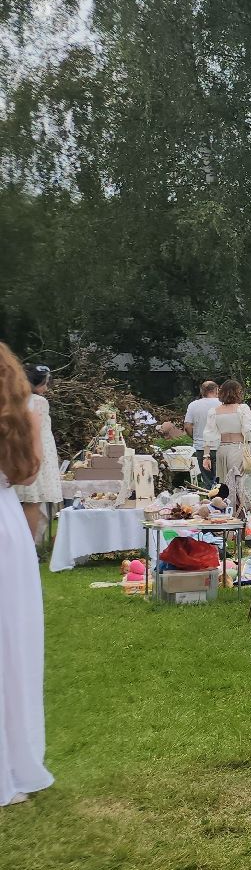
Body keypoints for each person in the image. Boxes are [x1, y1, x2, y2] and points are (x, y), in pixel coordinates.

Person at [0, 342, 54, 805]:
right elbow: (26, 471)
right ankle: (12, 757)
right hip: (5, 527)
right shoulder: (21, 417)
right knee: (10, 642)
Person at [13, 364, 59, 542]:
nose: (46, 389)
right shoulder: (38, 402)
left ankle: (22, 542)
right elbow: (39, 432)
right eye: (44, 384)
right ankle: (29, 544)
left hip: (22, 453)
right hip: (38, 454)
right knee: (33, 501)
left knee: (24, 501)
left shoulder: (16, 400)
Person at [207, 380, 251, 502]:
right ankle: (238, 509)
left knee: (223, 484)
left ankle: (223, 508)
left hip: (221, 449)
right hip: (237, 448)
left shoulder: (214, 411)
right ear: (237, 392)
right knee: (237, 482)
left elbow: (209, 434)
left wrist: (206, 456)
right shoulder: (242, 409)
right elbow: (249, 431)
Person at [185, 379, 221, 487]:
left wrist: (194, 437)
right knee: (221, 479)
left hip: (201, 446)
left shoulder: (193, 405)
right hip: (219, 445)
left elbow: (187, 426)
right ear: (216, 390)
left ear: (202, 391)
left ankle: (210, 499)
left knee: (207, 480)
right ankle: (221, 500)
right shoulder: (222, 404)